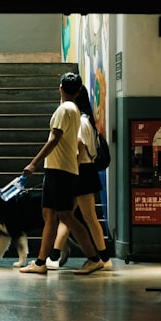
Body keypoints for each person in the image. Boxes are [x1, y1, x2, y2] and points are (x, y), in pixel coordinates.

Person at [18, 72, 102, 274]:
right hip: (58, 169)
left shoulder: (64, 109)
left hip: (61, 170)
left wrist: (33, 163)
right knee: (49, 214)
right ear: (79, 91)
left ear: (60, 88)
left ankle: (94, 258)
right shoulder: (73, 109)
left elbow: (54, 139)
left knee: (67, 216)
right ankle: (40, 263)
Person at [45, 85, 112, 274]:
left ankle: (100, 258)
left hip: (80, 170)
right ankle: (56, 256)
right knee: (70, 216)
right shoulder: (87, 120)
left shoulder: (80, 121)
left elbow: (79, 146)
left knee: (77, 216)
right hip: (85, 171)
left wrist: (69, 168)